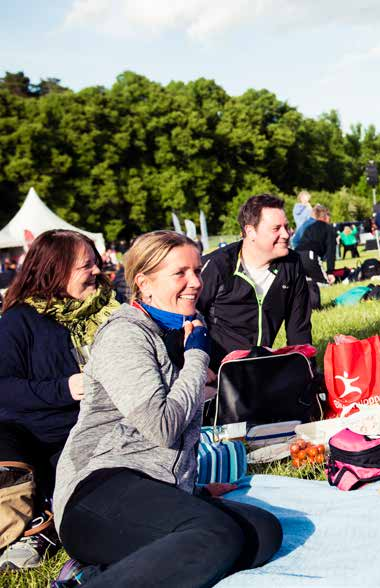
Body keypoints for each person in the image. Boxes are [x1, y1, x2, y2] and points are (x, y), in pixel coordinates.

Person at [52, 231, 282, 587]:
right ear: (144, 282)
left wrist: (194, 490)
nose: (195, 283)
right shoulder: (125, 335)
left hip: (155, 487)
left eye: (197, 271)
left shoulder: (180, 327)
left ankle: (99, 572)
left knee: (263, 532)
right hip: (97, 490)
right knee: (216, 535)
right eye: (181, 273)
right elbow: (162, 427)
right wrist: (196, 357)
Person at [0, 230, 119, 570]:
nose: (98, 271)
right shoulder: (19, 320)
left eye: (97, 263)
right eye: (87, 265)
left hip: (94, 430)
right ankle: (33, 524)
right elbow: (3, 386)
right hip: (34, 437)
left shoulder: (109, 312)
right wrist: (64, 388)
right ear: (56, 269)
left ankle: (48, 520)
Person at [197, 194, 312, 371]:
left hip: (262, 367)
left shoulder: (292, 264)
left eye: (286, 227)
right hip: (218, 371)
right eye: (276, 228)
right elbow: (189, 319)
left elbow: (299, 328)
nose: (286, 234)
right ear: (250, 231)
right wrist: (201, 369)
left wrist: (306, 369)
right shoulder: (217, 266)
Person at [295, 204, 337, 285]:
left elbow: (297, 242)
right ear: (326, 216)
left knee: (305, 283)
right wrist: (330, 271)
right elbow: (331, 251)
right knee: (325, 284)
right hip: (310, 255)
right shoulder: (328, 228)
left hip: (297, 256)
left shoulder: (309, 228)